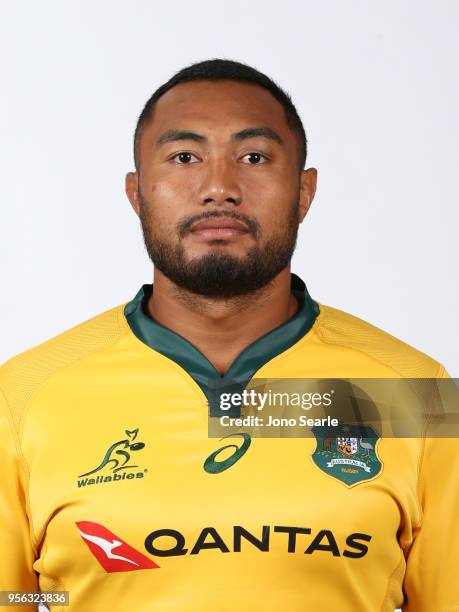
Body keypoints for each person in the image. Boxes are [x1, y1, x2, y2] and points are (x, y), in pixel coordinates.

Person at [0, 58, 457, 612]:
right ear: (137, 192)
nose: (219, 187)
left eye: (254, 157)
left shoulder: (415, 390)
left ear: (304, 191)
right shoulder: (20, 396)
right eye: (185, 157)